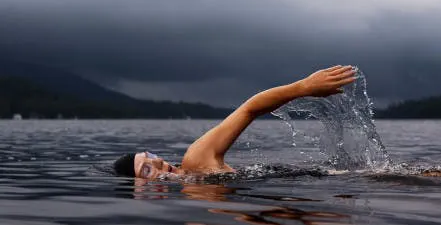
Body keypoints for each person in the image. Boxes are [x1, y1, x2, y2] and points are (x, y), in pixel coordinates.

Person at [113, 65, 357, 179]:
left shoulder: (196, 160)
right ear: (141, 189)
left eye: (150, 155)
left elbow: (248, 110)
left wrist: (303, 87)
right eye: (146, 169)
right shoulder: (194, 198)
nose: (157, 162)